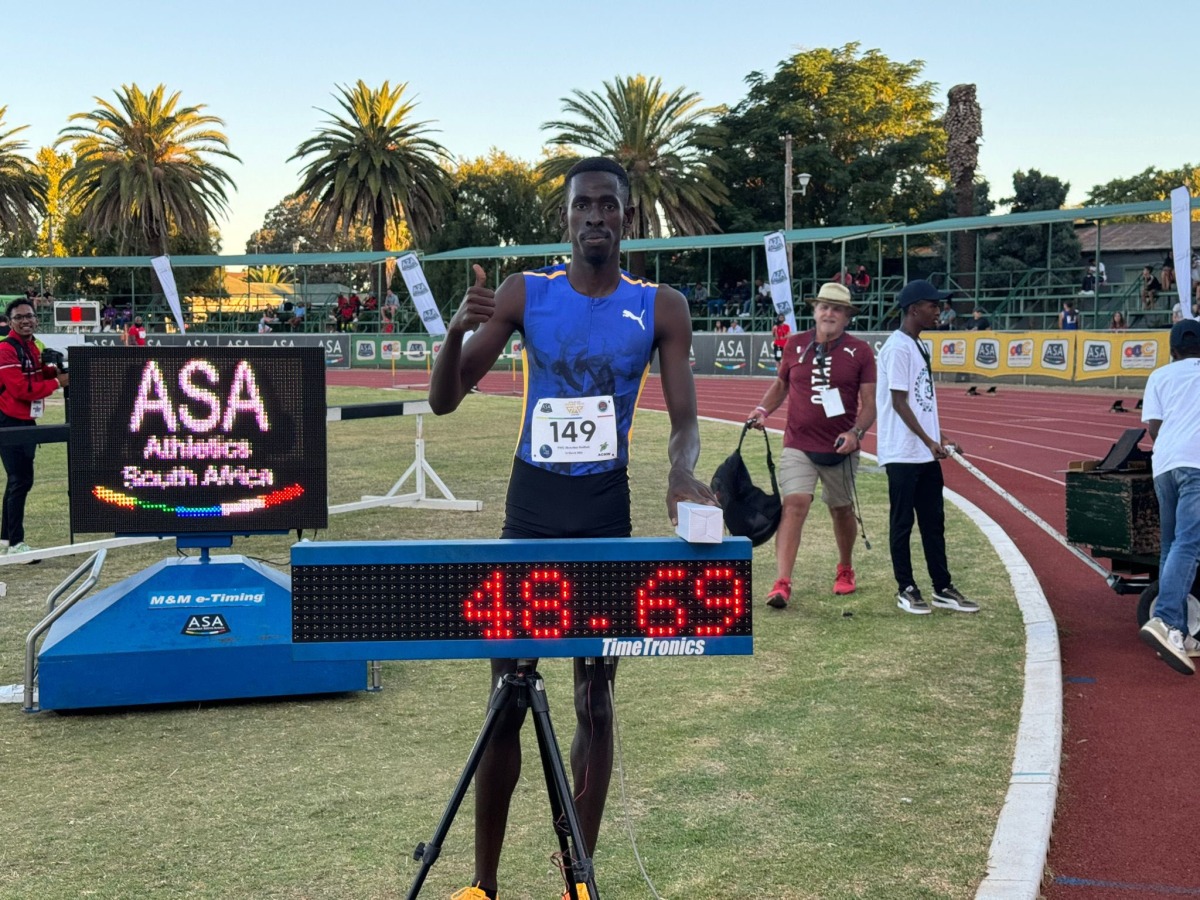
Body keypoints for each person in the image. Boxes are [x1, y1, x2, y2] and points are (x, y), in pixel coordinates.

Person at [428, 157, 717, 900]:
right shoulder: (528, 293)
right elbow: (447, 401)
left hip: (602, 512)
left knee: (595, 697)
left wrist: (682, 471)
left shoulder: (662, 308)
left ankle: (576, 882)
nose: (595, 217)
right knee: (506, 699)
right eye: (582, 205)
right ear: (567, 219)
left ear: (627, 218)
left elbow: (686, 422)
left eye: (607, 205)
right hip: (531, 510)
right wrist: (453, 338)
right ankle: (481, 884)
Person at [747, 282, 876, 607]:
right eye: (824, 306)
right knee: (794, 505)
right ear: (815, 310)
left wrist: (855, 433)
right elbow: (781, 385)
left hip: (840, 447)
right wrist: (763, 409)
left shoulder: (860, 351)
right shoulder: (796, 345)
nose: (829, 313)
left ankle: (845, 568)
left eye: (837, 308)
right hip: (798, 444)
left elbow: (870, 404)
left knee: (841, 509)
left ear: (847, 316)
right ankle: (782, 582)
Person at [875, 280, 978, 615]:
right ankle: (906, 587)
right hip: (903, 453)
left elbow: (923, 403)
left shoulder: (920, 346)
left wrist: (941, 436)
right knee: (902, 522)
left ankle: (942, 586)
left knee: (934, 521)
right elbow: (899, 402)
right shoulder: (897, 348)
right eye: (933, 305)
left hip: (924, 451)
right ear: (913, 308)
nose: (938, 311)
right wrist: (928, 440)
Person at [1137, 319, 1200, 675]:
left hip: (1165, 465)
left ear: (1173, 350)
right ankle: (1166, 620)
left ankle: (1175, 632)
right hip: (1197, 463)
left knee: (1172, 545)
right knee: (1189, 544)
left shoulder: (1159, 375)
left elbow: (1154, 427)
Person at [0, 299, 69, 557]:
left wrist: (51, 370)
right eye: (20, 317)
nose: (26, 320)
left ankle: (7, 541)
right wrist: (58, 383)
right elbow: (20, 389)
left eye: (29, 315)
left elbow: (34, 377)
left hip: (23, 419)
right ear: (10, 321)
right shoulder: (6, 348)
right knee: (20, 481)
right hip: (9, 420)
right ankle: (17, 544)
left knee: (17, 482)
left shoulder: (29, 345)